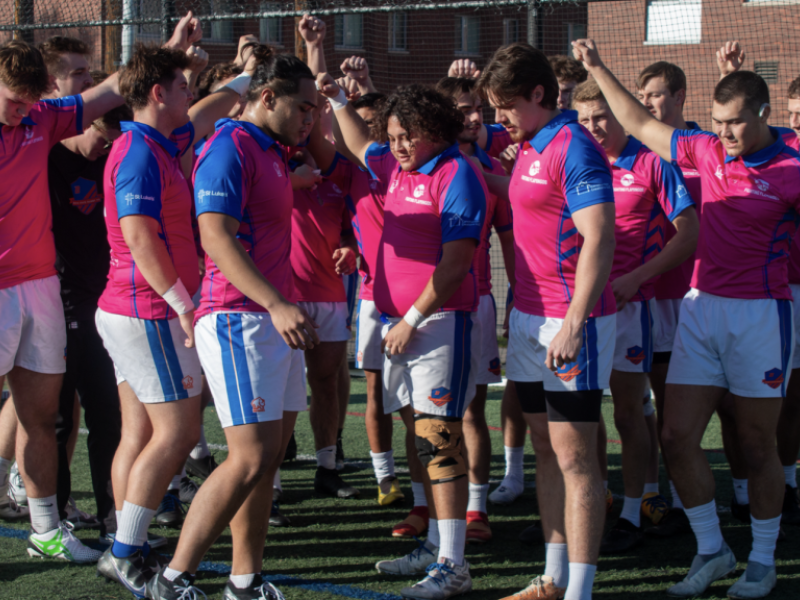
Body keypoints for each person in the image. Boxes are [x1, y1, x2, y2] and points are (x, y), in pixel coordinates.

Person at [575, 36, 800, 599]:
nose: (724, 133)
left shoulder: (794, 166)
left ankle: (764, 560)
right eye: (719, 122)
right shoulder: (703, 149)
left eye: (735, 124)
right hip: (701, 311)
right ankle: (711, 550)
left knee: (755, 444)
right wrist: (598, 67)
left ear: (763, 116)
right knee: (675, 435)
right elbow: (635, 119)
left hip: (762, 316)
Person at [146, 43, 319, 600]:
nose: (310, 119)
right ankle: (171, 580)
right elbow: (215, 237)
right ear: (266, 98)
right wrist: (275, 302)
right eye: (304, 108)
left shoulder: (270, 146)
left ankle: (245, 582)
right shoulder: (229, 146)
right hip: (240, 320)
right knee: (247, 458)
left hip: (271, 319)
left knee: (266, 462)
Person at [95, 22, 256, 594]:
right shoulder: (138, 150)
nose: (190, 94)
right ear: (159, 93)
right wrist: (182, 304)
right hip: (146, 308)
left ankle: (126, 538)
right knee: (179, 429)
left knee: (141, 431)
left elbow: (207, 112)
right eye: (182, 86)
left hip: (133, 307)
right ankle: (125, 550)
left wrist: (243, 77)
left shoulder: (158, 140)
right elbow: (141, 237)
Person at [320, 76, 486, 599]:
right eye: (391, 135)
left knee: (439, 438)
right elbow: (355, 140)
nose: (396, 145)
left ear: (434, 130)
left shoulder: (458, 174)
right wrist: (338, 101)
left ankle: (454, 565)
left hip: (439, 324)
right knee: (419, 434)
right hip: (402, 325)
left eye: (406, 135)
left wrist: (411, 318)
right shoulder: (394, 166)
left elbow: (457, 264)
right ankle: (434, 545)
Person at [477, 43, 616, 600]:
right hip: (530, 320)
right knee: (545, 447)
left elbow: (599, 238)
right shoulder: (530, 144)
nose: (498, 118)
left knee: (577, 457)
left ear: (539, 94)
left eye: (505, 105)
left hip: (567, 322)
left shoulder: (574, 146)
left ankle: (579, 589)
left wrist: (574, 323)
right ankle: (554, 579)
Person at [0, 34, 130, 563]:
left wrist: (169, 46)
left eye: (30, 100)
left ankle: (46, 532)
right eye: (13, 99)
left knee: (42, 417)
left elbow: (110, 90)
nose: (22, 110)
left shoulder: (43, 117)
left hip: (41, 288)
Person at [571, 79, 698, 554]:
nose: (592, 128)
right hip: (579, 306)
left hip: (629, 308)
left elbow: (689, 234)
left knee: (629, 411)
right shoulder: (577, 160)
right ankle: (596, 499)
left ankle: (631, 510)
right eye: (583, 120)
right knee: (581, 413)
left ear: (621, 115)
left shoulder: (651, 163)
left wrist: (637, 278)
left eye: (601, 117)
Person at [716, 40, 800, 527]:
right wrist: (734, 74)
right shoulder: (780, 145)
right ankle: (748, 491)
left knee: (791, 402)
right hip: (766, 295)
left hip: (778, 300)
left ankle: (784, 485)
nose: (798, 122)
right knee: (740, 405)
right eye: (793, 114)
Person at [436, 75, 516, 543]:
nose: (473, 118)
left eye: (477, 111)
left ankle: (476, 510)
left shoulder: (488, 166)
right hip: (428, 307)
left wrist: (514, 297)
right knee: (425, 414)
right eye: (464, 110)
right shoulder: (424, 166)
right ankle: (428, 507)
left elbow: (508, 238)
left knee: (470, 412)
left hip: (478, 301)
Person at [635, 59, 702, 537]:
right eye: (645, 97)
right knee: (652, 400)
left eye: (657, 94)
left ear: (679, 95)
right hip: (654, 294)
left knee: (703, 403)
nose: (650, 104)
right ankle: (660, 497)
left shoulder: (708, 147)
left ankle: (719, 497)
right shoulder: (637, 151)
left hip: (702, 294)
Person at [295, 14, 360, 498]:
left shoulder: (341, 171)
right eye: (307, 112)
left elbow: (355, 225)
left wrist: (351, 246)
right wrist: (310, 46)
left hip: (329, 291)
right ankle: (268, 482)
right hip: (279, 294)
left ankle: (327, 468)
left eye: (318, 112)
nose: (312, 118)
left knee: (328, 381)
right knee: (278, 393)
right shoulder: (275, 159)